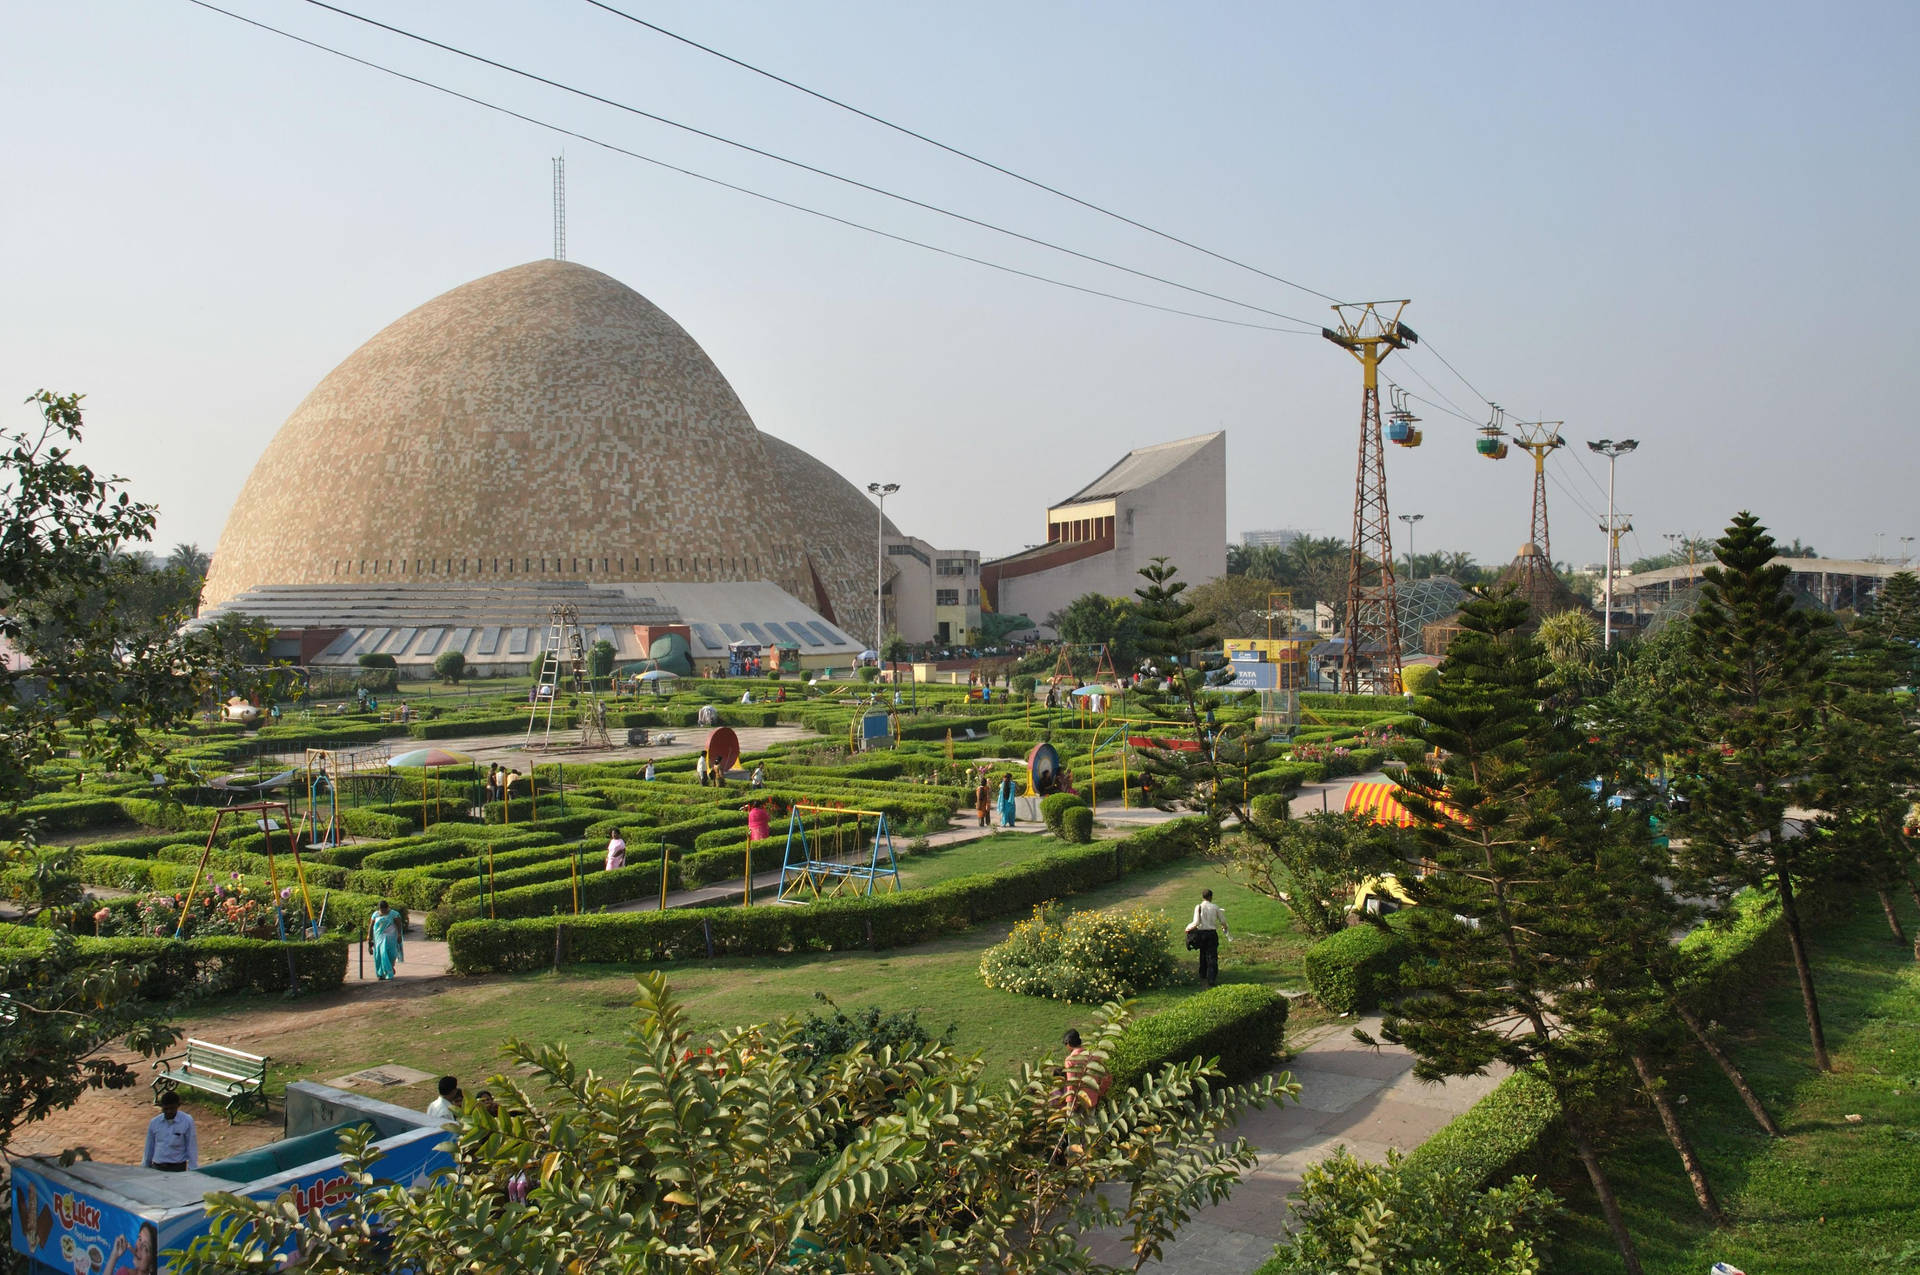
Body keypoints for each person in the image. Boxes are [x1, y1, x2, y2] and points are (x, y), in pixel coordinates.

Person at [1185, 888, 1231, 988]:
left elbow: (1196, 922)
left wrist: (1188, 928)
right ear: (1211, 897)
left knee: (1203, 953)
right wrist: (1225, 928)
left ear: (1203, 897)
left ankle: (1202, 974)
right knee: (1212, 955)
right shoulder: (1215, 907)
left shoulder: (1199, 907)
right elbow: (1223, 921)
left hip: (1201, 934)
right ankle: (1211, 978)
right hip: (1212, 934)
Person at [143, 1091, 198, 1172]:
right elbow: (149, 1147)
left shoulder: (187, 1121)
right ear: (161, 1107)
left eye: (172, 1108)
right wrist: (145, 1168)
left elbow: (191, 1146)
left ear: (178, 1106)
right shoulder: (154, 1122)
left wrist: (192, 1169)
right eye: (166, 1109)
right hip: (157, 1167)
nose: (169, 1111)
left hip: (177, 1167)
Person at [368, 899, 404, 980]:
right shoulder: (375, 915)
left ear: (388, 907)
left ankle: (390, 967)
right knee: (380, 955)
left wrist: (399, 935)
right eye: (382, 909)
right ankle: (382, 973)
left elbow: (399, 925)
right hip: (379, 937)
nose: (383, 911)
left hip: (391, 938)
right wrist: (369, 937)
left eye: (385, 909)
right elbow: (371, 925)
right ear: (379, 909)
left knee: (392, 955)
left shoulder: (394, 914)